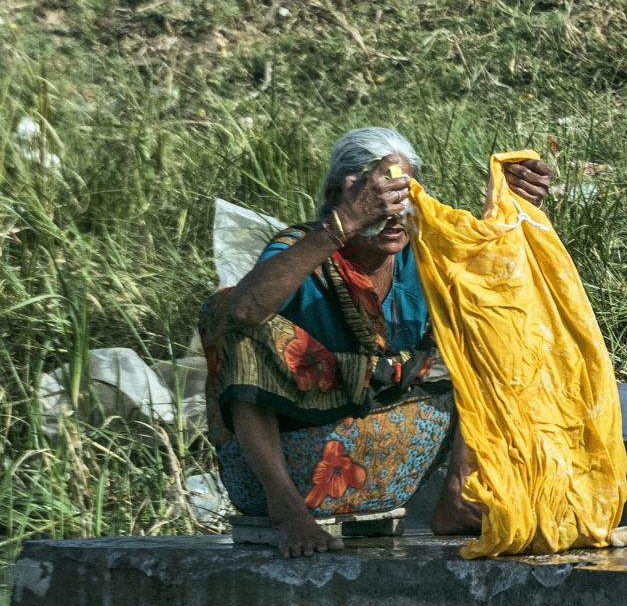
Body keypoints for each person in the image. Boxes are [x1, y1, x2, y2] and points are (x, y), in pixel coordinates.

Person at [204, 127, 555, 558]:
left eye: (402, 199)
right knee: (229, 316)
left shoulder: (423, 253)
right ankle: (286, 510)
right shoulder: (304, 249)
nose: (393, 215)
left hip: (394, 459)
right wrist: (342, 224)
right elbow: (244, 310)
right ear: (338, 197)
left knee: (490, 318)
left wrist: (516, 207)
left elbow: (501, 281)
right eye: (378, 200)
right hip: (304, 454)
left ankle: (458, 495)